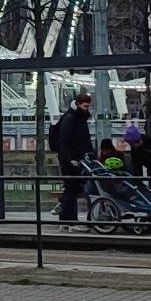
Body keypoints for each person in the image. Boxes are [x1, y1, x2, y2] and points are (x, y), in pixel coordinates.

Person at [48, 90, 96, 223]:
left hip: (77, 159)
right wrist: (69, 159)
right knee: (72, 189)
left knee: (72, 189)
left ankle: (65, 218)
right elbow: (64, 140)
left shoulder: (77, 117)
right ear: (78, 104)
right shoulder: (71, 118)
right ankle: (70, 220)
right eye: (85, 106)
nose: (87, 109)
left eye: (88, 106)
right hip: (71, 160)